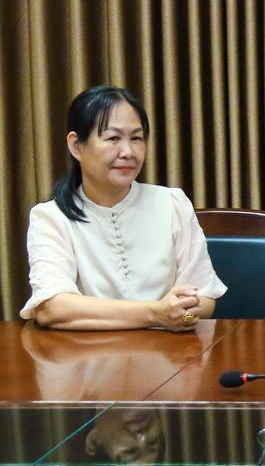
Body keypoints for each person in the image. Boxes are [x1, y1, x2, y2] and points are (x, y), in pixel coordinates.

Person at [22, 85, 226, 330]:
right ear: (76, 145)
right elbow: (52, 307)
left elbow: (205, 295)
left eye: (136, 138)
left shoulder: (172, 203)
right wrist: (156, 313)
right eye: (113, 138)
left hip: (169, 349)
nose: (128, 152)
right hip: (87, 352)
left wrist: (184, 310)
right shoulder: (51, 218)